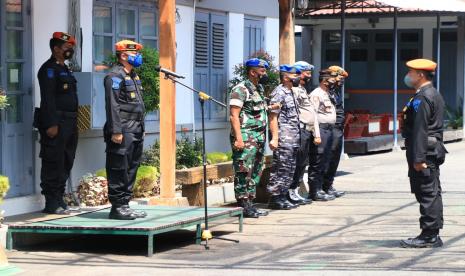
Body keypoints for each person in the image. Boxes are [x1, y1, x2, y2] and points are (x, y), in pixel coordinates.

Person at [400, 59, 447, 248]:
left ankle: (429, 236)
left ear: (420, 75)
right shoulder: (428, 94)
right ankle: (431, 232)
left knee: (428, 192)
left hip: (424, 152)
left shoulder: (424, 97)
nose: (408, 76)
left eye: (410, 72)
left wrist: (418, 159)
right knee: (430, 192)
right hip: (428, 150)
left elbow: (421, 129)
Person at [104, 40, 147, 220]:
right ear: (123, 55)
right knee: (118, 167)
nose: (137, 56)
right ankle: (117, 206)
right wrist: (116, 130)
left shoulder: (133, 75)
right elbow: (112, 105)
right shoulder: (114, 76)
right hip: (122, 130)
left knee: (131, 167)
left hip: (136, 129)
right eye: (134, 53)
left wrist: (142, 128)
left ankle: (126, 204)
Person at [37, 32, 78, 214]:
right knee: (53, 160)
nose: (70, 50)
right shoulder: (48, 69)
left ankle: (59, 197)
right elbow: (48, 99)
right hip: (57, 122)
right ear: (56, 49)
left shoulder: (65, 69)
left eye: (71, 47)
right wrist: (51, 123)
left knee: (67, 159)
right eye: (66, 47)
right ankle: (51, 202)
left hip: (70, 121)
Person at [229, 58, 270, 218]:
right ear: (253, 72)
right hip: (245, 137)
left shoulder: (258, 88)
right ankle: (243, 204)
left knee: (256, 171)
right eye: (262, 70)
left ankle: (250, 203)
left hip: (259, 138)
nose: (265, 73)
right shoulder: (240, 89)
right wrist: (238, 139)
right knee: (243, 172)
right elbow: (234, 115)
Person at [267, 65, 302, 210]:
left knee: (289, 168)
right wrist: (275, 138)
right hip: (284, 137)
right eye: (295, 75)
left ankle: (282, 195)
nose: (298, 78)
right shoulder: (279, 93)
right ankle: (275, 198)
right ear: (286, 77)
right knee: (281, 168)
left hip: (293, 137)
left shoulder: (291, 92)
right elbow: (273, 117)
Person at [288, 61, 321, 205]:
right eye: (307, 73)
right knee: (297, 162)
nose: (309, 76)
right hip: (299, 129)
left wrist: (315, 132)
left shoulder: (302, 89)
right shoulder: (293, 90)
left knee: (302, 163)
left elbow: (311, 112)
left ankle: (294, 190)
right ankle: (290, 191)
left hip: (307, 130)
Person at [307, 69, 338, 201]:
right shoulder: (316, 94)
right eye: (332, 79)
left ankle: (320, 188)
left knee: (325, 160)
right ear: (325, 80)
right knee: (317, 161)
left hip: (329, 130)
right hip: (321, 129)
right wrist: (317, 134)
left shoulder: (328, 94)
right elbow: (312, 116)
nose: (334, 81)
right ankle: (314, 191)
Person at [323, 65, 348, 198]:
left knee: (334, 158)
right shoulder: (325, 91)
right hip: (330, 129)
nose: (341, 81)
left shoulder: (335, 92)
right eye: (339, 77)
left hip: (338, 129)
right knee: (327, 158)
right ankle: (323, 186)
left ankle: (329, 184)